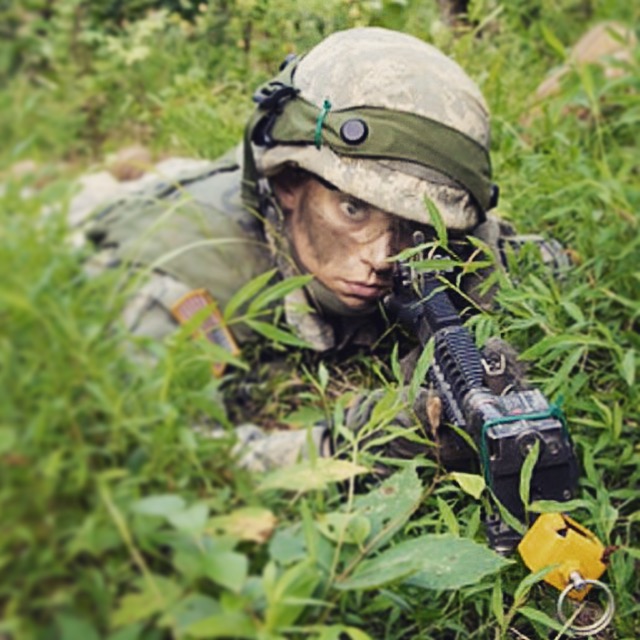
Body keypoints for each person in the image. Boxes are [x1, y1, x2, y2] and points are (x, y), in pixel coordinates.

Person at [83, 27, 560, 472]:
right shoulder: (178, 270)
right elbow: (189, 463)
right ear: (289, 181)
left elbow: (527, 256)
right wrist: (382, 432)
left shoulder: (435, 237)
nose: (382, 258)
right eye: (354, 209)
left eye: (413, 225)